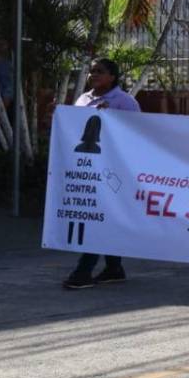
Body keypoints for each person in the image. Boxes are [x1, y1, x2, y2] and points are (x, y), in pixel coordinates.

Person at [62, 58, 141, 290]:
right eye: (92, 71)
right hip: (86, 170)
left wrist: (112, 119)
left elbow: (138, 134)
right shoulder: (83, 99)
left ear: (113, 77)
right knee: (100, 217)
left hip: (112, 171)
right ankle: (114, 268)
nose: (94, 75)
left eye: (100, 71)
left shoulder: (125, 102)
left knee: (98, 219)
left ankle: (83, 270)